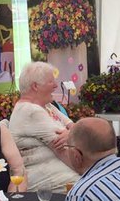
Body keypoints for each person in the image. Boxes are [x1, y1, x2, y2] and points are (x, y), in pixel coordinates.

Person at [7, 64, 77, 193]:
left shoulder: (48, 106)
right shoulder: (30, 111)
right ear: (35, 86)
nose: (56, 85)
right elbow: (63, 150)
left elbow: (73, 127)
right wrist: (89, 171)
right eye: (51, 81)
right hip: (49, 180)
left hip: (59, 173)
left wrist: (71, 133)